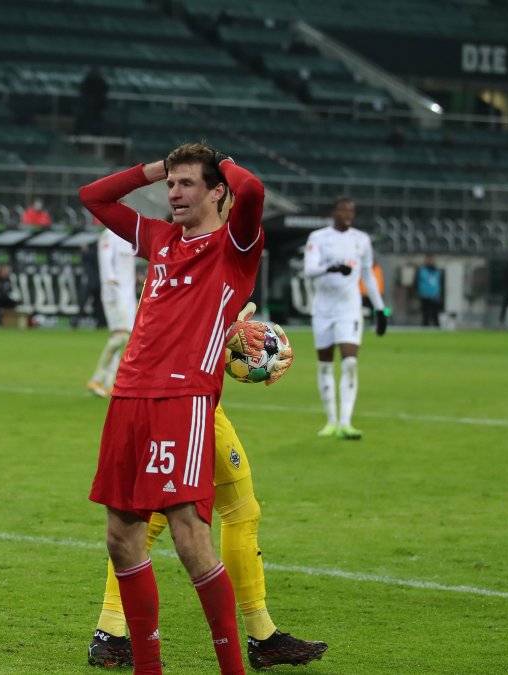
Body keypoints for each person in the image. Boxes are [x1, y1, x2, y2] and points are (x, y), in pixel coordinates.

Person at [80, 143, 269, 674]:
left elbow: (251, 190)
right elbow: (92, 197)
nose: (174, 194)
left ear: (216, 192)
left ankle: (232, 667)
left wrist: (221, 160)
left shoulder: (236, 243)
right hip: (127, 397)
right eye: (170, 185)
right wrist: (155, 168)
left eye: (187, 184)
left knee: (189, 536)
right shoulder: (161, 238)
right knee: (121, 536)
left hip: (182, 400)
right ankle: (149, 668)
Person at [87, 401, 328, 670]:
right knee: (237, 512)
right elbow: (194, 357)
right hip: (192, 406)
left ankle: (109, 631)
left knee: (151, 513)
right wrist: (248, 357)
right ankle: (261, 635)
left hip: (148, 403)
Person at [303, 197, 388, 440]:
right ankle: (330, 420)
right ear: (334, 212)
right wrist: (331, 268)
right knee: (325, 364)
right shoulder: (318, 238)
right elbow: (309, 270)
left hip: (349, 309)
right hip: (323, 310)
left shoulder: (361, 240)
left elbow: (368, 277)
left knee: (350, 362)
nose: (348, 214)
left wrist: (380, 309)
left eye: (351, 210)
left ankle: (345, 422)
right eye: (343, 210)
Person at [86, 228, 136, 397]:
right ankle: (97, 379)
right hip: (115, 294)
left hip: (129, 297)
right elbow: (106, 263)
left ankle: (111, 382)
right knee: (121, 337)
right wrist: (111, 287)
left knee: (126, 340)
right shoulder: (109, 234)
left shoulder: (130, 237)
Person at [416, 256, 443, 327]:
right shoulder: (422, 271)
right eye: (428, 261)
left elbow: (439, 283)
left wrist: (438, 293)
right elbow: (418, 282)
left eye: (431, 261)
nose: (430, 262)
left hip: (434, 295)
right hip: (424, 294)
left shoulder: (436, 272)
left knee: (435, 312)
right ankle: (425, 325)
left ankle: (436, 325)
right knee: (425, 312)